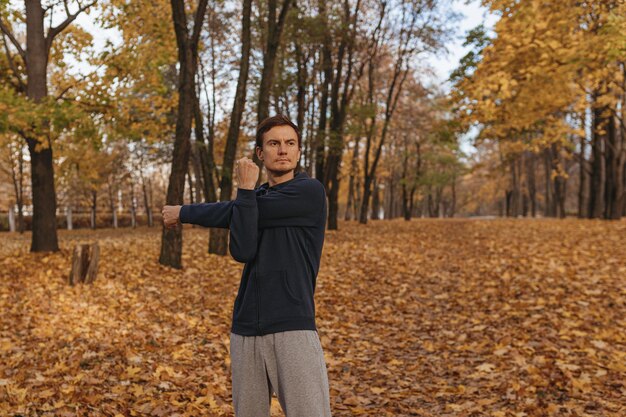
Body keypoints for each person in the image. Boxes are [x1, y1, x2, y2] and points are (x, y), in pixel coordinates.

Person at [161, 114, 332, 417]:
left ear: (299, 152)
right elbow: (241, 250)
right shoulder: (252, 201)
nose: (283, 150)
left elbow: (235, 210)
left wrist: (184, 211)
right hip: (245, 329)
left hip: (292, 324)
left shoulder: (309, 192)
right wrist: (246, 197)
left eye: (290, 143)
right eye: (274, 143)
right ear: (259, 153)